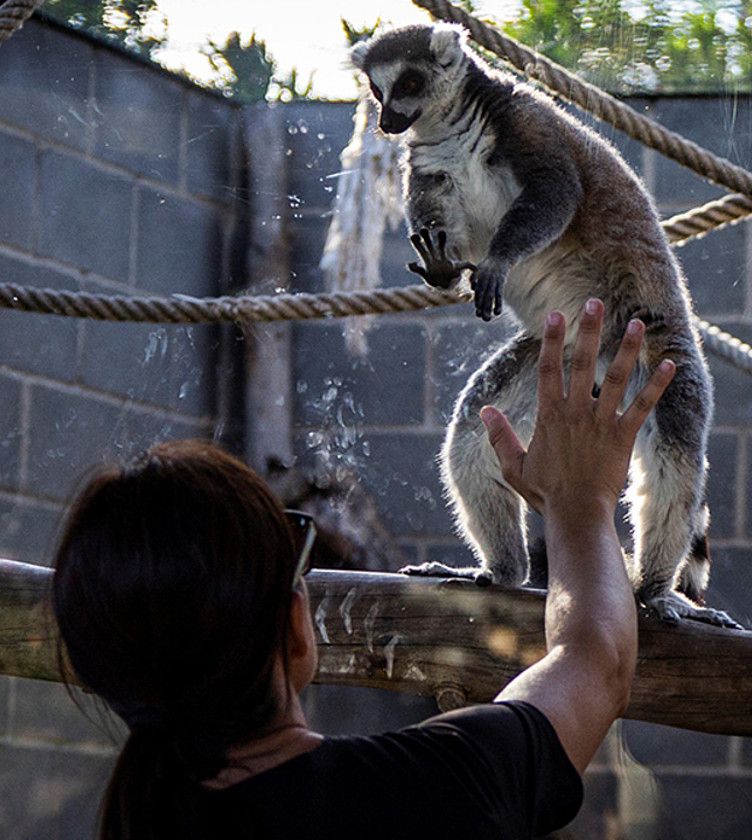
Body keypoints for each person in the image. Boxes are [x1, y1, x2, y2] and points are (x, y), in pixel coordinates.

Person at [51, 300, 676, 839]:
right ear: (295, 627)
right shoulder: (427, 790)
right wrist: (579, 502)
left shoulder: (144, 817)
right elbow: (598, 660)